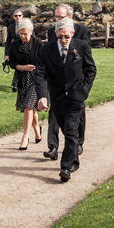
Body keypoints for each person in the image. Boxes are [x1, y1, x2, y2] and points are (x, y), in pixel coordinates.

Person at [36, 18, 96, 182]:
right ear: (55, 34)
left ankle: (65, 167)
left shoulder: (81, 47)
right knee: (66, 129)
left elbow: (91, 69)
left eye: (66, 37)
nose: (63, 40)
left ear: (72, 34)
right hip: (57, 98)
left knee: (71, 130)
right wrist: (42, 95)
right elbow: (40, 74)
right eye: (60, 36)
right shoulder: (46, 50)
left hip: (77, 96)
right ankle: (74, 160)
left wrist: (85, 89)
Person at [45, 4, 91, 161]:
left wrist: (83, 88)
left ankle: (78, 142)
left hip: (76, 84)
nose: (57, 20)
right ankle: (53, 146)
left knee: (78, 115)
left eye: (60, 17)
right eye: (56, 17)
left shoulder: (83, 32)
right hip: (57, 84)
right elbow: (50, 56)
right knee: (54, 113)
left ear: (70, 17)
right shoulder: (53, 31)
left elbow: (84, 59)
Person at [7, 18, 44, 150]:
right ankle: (37, 131)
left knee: (28, 107)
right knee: (31, 110)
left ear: (31, 31)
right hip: (23, 80)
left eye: (25, 34)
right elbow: (11, 63)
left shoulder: (39, 43)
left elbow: (44, 61)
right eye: (20, 34)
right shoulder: (15, 45)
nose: (23, 36)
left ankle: (25, 137)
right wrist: (21, 67)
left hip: (36, 80)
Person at [3, 9, 24, 91]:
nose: (18, 17)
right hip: (15, 51)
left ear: (22, 16)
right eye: (16, 15)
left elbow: (33, 38)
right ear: (13, 17)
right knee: (17, 67)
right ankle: (15, 85)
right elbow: (8, 42)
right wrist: (6, 54)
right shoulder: (11, 27)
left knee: (22, 67)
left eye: (19, 15)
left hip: (25, 49)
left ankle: (16, 84)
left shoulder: (27, 25)